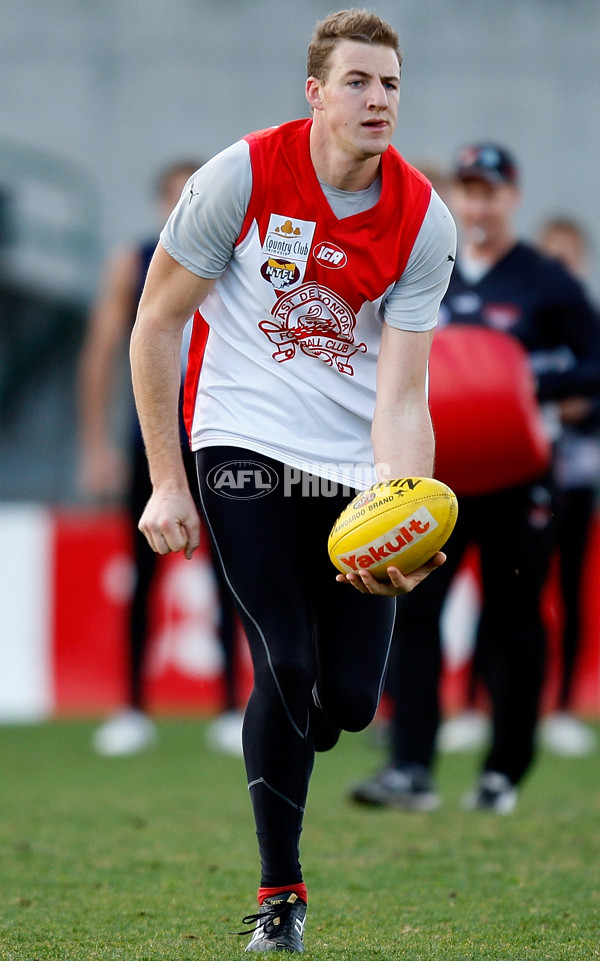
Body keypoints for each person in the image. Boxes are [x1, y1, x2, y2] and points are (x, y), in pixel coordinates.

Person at [129, 9, 456, 952]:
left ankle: (298, 728)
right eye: (358, 82)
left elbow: (403, 397)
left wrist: (410, 516)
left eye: (391, 84)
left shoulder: (421, 219)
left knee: (349, 700)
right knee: (290, 661)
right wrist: (166, 480)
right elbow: (157, 325)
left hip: (351, 469)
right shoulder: (241, 175)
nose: (378, 99)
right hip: (240, 445)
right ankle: (281, 898)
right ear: (315, 92)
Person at [350, 143, 600, 815]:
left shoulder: (546, 279)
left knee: (515, 620)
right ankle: (410, 766)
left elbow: (594, 363)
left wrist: (529, 381)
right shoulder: (432, 267)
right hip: (437, 478)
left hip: (522, 479)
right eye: (467, 191)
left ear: (512, 197)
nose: (478, 204)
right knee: (415, 612)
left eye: (490, 191)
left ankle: (503, 770)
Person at [78, 160, 245, 758]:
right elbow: (101, 351)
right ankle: (130, 707)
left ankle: (232, 707)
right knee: (143, 572)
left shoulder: (234, 254)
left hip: (217, 431)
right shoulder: (136, 259)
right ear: (161, 205)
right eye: (174, 198)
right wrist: (96, 444)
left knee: (230, 573)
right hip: (152, 435)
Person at [536, 216, 599, 757]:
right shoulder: (527, 319)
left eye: (568, 256)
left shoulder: (584, 325)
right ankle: (476, 705)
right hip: (524, 473)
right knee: (512, 592)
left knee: (571, 590)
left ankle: (561, 708)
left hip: (574, 474)